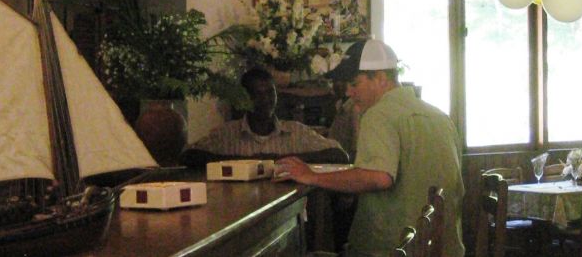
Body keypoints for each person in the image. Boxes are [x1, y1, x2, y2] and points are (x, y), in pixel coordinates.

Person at [277, 39, 464, 257]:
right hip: (443, 250)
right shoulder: (439, 116)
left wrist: (311, 177)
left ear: (381, 79)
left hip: (390, 251)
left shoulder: (379, 114)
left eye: (354, 84)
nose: (348, 92)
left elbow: (378, 177)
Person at [180, 67, 348, 166]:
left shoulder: (295, 132)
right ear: (244, 97)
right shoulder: (227, 134)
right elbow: (188, 156)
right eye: (257, 94)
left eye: (270, 93)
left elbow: (339, 155)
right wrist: (242, 164)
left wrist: (283, 160)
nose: (266, 100)